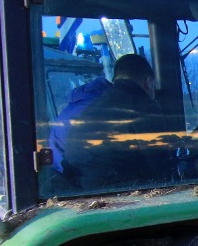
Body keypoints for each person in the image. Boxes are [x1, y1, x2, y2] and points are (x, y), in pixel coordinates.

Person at [64, 54, 166, 188]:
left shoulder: (95, 106)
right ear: (148, 82)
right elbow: (160, 162)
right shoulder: (144, 106)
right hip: (119, 189)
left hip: (81, 187)